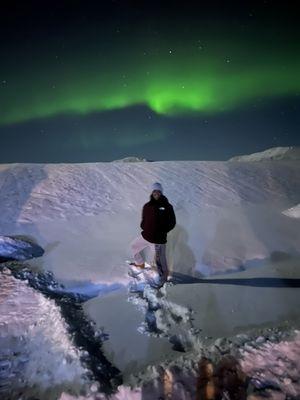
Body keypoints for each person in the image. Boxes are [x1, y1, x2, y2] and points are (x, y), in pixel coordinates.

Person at [130, 182, 176, 283]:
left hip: (158, 240)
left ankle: (163, 280)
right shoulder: (147, 206)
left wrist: (162, 231)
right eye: (155, 191)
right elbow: (143, 219)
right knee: (133, 247)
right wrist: (144, 226)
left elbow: (172, 222)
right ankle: (140, 264)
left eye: (158, 191)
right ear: (152, 192)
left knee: (160, 261)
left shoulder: (167, 206)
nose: (156, 193)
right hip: (146, 236)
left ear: (161, 193)